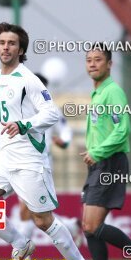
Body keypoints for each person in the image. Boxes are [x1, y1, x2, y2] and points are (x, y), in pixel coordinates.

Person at [0, 22, 91, 260]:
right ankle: (20, 243)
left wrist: (24, 125)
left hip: (28, 159)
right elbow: (4, 119)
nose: (6, 47)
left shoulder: (29, 79)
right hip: (4, 156)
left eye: (12, 43)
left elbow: (51, 114)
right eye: (2, 43)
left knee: (42, 220)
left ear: (20, 48)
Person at [79, 43, 131, 260]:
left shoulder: (113, 92)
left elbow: (122, 131)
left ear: (109, 64)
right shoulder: (98, 93)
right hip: (99, 163)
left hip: (109, 162)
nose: (92, 63)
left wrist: (98, 151)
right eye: (89, 59)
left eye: (98, 59)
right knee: (88, 227)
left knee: (91, 225)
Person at [16, 73, 83, 249]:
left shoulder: (50, 109)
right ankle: (70, 226)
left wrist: (65, 141)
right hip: (18, 161)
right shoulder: (19, 108)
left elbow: (65, 129)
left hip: (40, 162)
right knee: (35, 210)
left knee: (26, 208)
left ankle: (22, 252)